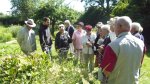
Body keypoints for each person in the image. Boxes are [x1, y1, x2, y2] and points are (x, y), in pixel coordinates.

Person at [100, 16, 145, 84]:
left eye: (114, 26)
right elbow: (139, 64)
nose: (113, 28)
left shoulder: (113, 45)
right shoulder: (141, 43)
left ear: (120, 26)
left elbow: (106, 71)